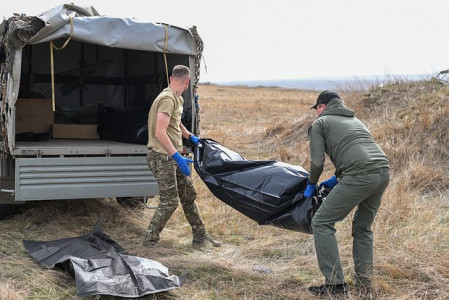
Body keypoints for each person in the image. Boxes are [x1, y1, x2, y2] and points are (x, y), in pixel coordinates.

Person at [304, 90, 390, 297]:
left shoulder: (320, 123)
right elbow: (358, 151)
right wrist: (336, 179)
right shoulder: (356, 121)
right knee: (362, 227)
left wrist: (311, 183)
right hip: (383, 173)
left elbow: (316, 163)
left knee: (322, 222)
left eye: (317, 109)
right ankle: (364, 284)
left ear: (322, 106)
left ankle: (335, 285)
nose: (316, 113)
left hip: (359, 175)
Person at [144, 65, 221, 248]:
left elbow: (175, 122)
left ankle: (200, 237)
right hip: (162, 157)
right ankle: (149, 241)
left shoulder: (176, 98)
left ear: (171, 78)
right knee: (170, 201)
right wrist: (177, 157)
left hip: (172, 155)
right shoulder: (166, 99)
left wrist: (190, 137)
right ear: (187, 82)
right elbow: (159, 133)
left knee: (188, 195)